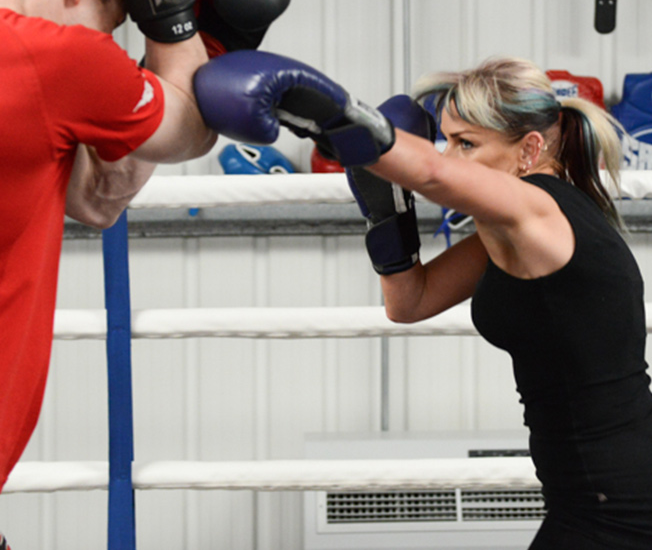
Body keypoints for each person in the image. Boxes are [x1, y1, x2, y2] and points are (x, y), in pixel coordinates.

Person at [190, 50, 652, 549]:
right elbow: (409, 302)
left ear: (529, 148)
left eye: (467, 144)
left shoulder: (540, 207)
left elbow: (432, 173)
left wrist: (329, 116)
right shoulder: (510, 228)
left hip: (616, 502)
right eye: (447, 141)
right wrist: (386, 209)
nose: (452, 158)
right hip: (585, 493)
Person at [0, 0, 221, 544]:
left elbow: (95, 199)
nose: (109, 48)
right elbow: (187, 126)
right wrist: (170, 3)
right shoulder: (52, 58)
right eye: (112, 24)